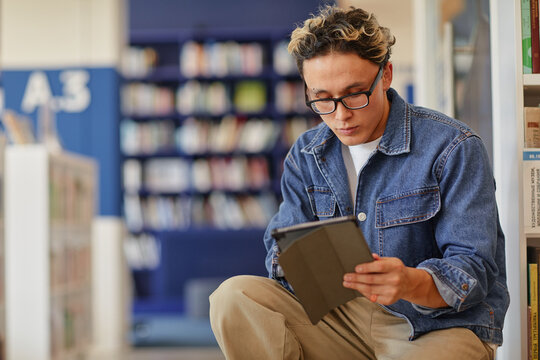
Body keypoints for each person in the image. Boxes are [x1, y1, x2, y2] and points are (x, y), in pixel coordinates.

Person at [209, 5, 508, 360]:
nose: (340, 114)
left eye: (354, 93)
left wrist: (411, 281)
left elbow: (474, 270)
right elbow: (279, 254)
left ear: (386, 75)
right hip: (342, 322)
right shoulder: (307, 153)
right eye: (322, 99)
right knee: (234, 296)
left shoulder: (453, 146)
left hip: (436, 326)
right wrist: (294, 262)